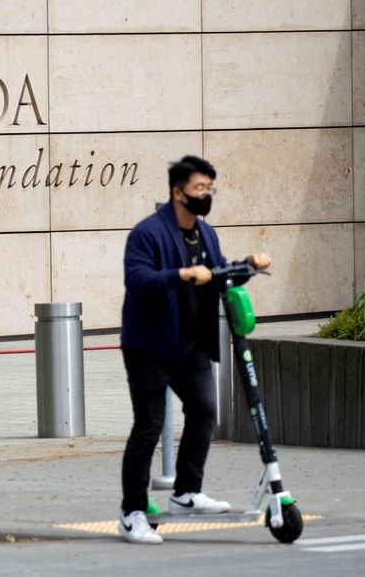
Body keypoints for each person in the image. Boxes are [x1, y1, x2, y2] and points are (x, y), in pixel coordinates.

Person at [117, 155, 271, 544]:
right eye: (200, 189)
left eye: (210, 189)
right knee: (148, 427)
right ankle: (132, 511)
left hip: (191, 345)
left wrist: (249, 266)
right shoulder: (147, 234)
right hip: (149, 346)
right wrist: (182, 274)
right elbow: (137, 280)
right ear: (178, 192)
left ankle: (186, 493)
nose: (206, 196)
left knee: (204, 411)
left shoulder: (206, 234)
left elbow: (219, 274)